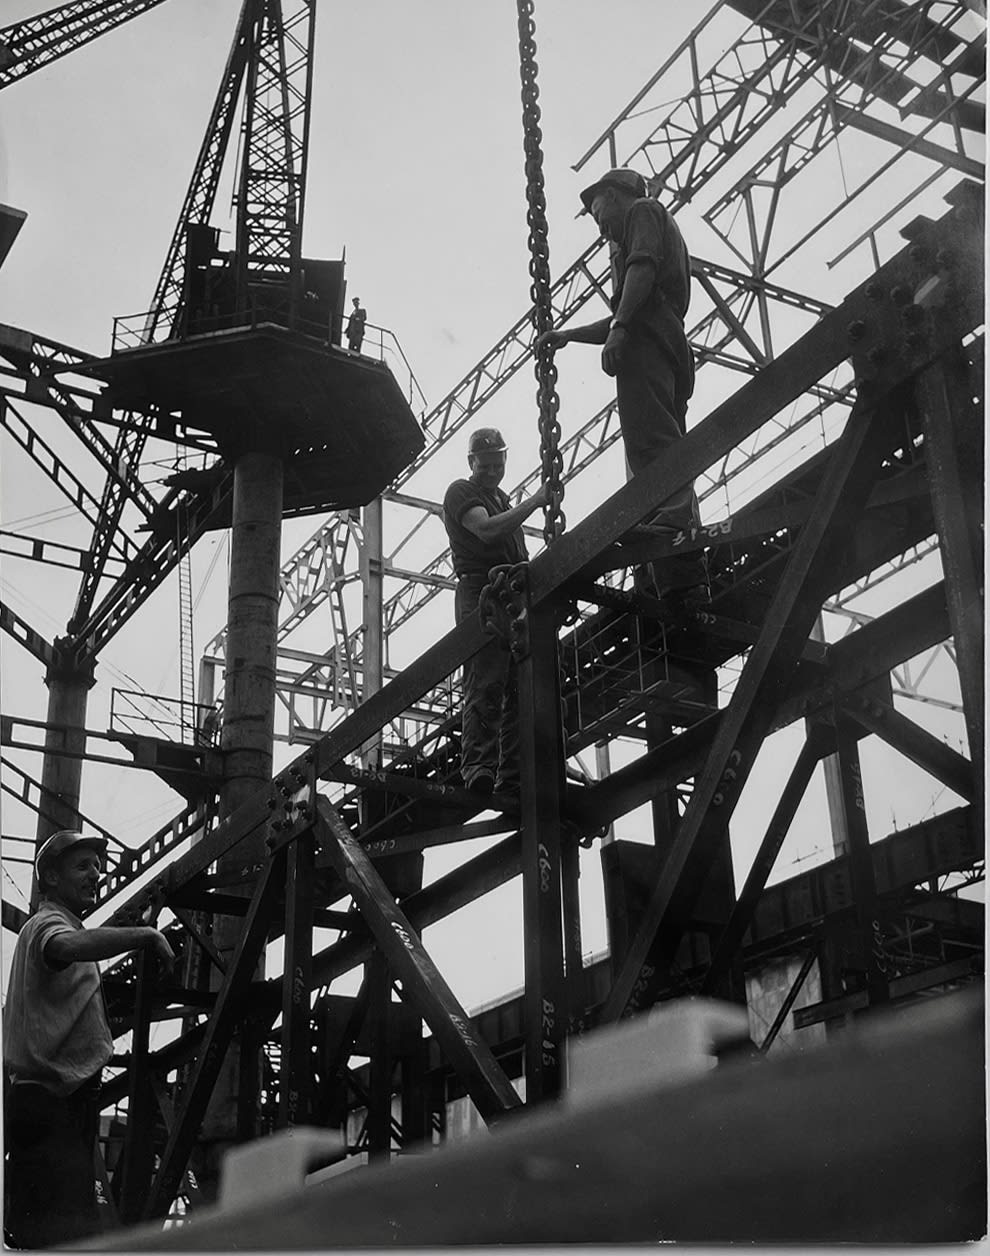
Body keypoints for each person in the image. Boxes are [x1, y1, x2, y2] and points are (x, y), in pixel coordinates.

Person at [539, 167, 708, 609]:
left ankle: (670, 524)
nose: (600, 225)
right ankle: (671, 551)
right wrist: (571, 335)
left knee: (652, 439)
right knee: (654, 439)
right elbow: (626, 304)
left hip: (649, 340)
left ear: (617, 197)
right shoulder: (633, 239)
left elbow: (641, 275)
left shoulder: (644, 213)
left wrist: (618, 330)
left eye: (600, 213)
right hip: (656, 336)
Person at [3, 830, 176, 1248]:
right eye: (82, 866)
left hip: (59, 1103)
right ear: (51, 879)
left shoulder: (64, 927)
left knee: (64, 1230)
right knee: (58, 1235)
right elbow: (65, 946)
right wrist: (145, 935)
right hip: (48, 1103)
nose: (95, 874)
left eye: (98, 867)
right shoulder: (47, 924)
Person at [442, 428, 547, 796]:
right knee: (486, 678)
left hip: (513, 595)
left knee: (519, 687)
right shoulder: (462, 492)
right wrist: (535, 502)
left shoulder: (501, 498)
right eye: (484, 465)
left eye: (496, 464)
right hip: (481, 593)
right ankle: (479, 767)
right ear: (471, 463)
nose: (491, 471)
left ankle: (512, 775)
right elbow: (485, 531)